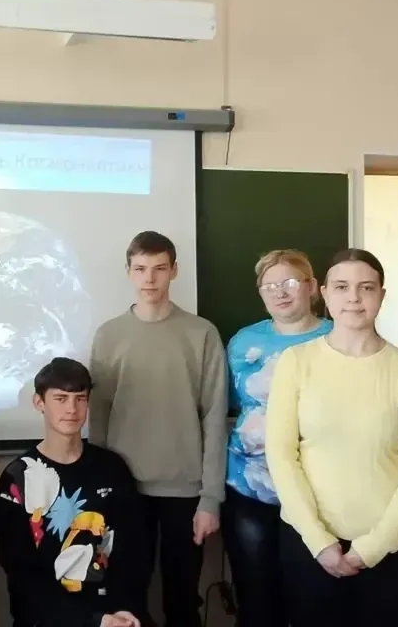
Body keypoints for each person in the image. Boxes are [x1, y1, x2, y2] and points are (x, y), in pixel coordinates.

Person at [265, 248, 398, 627]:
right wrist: (319, 541)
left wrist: (371, 548)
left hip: (395, 549)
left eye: (366, 287)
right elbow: (281, 457)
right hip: (311, 547)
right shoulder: (296, 362)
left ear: (381, 295)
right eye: (342, 287)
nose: (354, 298)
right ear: (324, 294)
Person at [88, 231, 227, 627]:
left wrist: (210, 499)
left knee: (182, 600)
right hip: (125, 491)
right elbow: (98, 418)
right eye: (140, 269)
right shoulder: (109, 335)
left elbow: (214, 417)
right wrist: (100, 493)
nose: (149, 279)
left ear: (174, 271)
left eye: (159, 269)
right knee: (128, 599)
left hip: (186, 492)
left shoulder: (201, 333)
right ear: (128, 272)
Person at [0, 357, 151, 627]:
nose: (72, 409)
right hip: (47, 619)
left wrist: (124, 610)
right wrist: (93, 621)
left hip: (114, 613)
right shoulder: (18, 478)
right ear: (39, 402)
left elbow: (133, 554)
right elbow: (23, 577)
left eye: (80, 399)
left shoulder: (113, 468)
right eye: (61, 399)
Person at [223, 249, 332, 627]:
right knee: (255, 598)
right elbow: (231, 406)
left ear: (312, 287)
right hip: (251, 491)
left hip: (318, 495)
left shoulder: (337, 337)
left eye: (289, 283)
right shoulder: (242, 343)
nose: (280, 293)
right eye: (269, 286)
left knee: (310, 600)